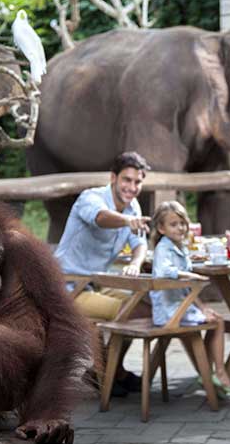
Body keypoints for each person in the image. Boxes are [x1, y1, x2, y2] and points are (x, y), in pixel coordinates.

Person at [54, 151, 152, 396]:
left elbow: (140, 243)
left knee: (144, 305)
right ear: (113, 178)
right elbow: (101, 218)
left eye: (137, 182)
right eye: (127, 180)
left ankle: (107, 371)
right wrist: (127, 222)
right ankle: (111, 373)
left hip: (95, 283)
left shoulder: (133, 207)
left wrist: (136, 262)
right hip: (67, 287)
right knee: (134, 313)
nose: (132, 187)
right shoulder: (92, 198)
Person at [150, 201, 230, 398]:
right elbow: (163, 272)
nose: (180, 228)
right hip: (169, 311)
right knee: (218, 323)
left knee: (214, 318)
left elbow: (188, 291)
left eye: (182, 223)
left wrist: (202, 307)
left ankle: (208, 372)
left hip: (181, 305)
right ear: (161, 228)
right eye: (174, 224)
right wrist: (190, 276)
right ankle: (218, 372)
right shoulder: (163, 248)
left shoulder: (180, 248)